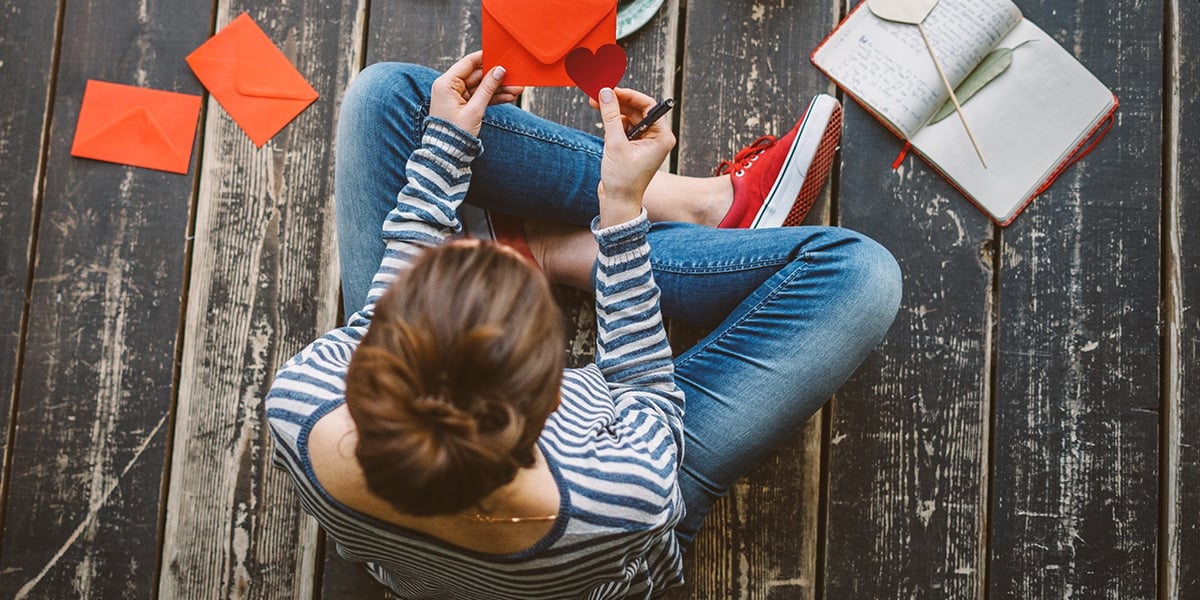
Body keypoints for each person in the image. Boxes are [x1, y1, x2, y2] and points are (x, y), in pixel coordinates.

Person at [265, 51, 901, 599]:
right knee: (862, 275)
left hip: (426, 558)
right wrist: (620, 212)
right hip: (623, 505)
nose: (455, 242)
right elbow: (641, 386)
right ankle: (589, 243)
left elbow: (390, 291)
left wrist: (447, 150)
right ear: (563, 390)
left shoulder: (298, 402)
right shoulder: (629, 491)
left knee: (385, 97)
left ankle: (601, 232)